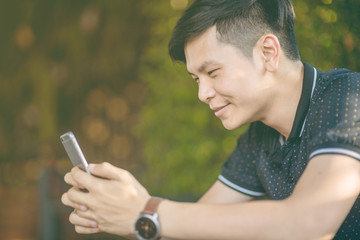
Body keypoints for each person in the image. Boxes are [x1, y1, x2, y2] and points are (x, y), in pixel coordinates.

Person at [61, 0, 360, 239]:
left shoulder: (348, 97)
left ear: (268, 53)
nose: (203, 93)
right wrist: (122, 211)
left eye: (213, 73)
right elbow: (191, 230)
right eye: (196, 79)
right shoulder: (260, 138)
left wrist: (147, 210)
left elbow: (308, 225)